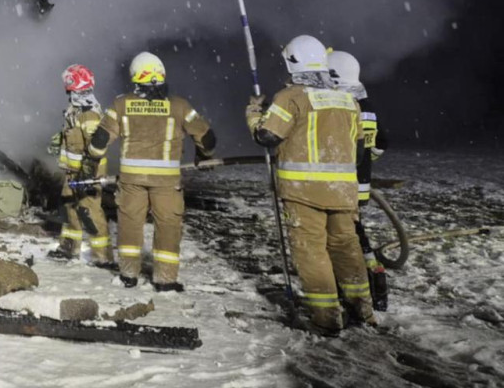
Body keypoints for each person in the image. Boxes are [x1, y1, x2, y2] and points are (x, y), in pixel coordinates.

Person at [246, 35, 375, 335]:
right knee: (347, 247)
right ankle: (362, 310)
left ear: (293, 63)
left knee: (311, 250)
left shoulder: (290, 98)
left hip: (303, 192)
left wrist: (254, 114)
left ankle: (327, 317)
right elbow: (358, 150)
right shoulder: (348, 100)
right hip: (343, 191)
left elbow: (267, 136)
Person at [86, 52, 215, 291]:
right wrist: (202, 156)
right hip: (166, 184)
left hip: (131, 181)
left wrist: (92, 157)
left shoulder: (121, 104)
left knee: (130, 225)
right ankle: (165, 280)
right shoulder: (179, 106)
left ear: (135, 77)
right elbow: (207, 140)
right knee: (168, 227)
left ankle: (128, 275)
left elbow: (100, 141)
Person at [329, 49, 390, 311]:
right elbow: (380, 143)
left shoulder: (346, 106)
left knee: (344, 241)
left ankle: (359, 291)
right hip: (359, 186)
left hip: (344, 187)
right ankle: (375, 281)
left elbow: (347, 148)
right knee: (355, 235)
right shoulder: (367, 106)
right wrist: (367, 165)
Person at [47, 64, 116, 268]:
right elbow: (74, 137)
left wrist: (88, 173)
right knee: (70, 209)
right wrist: (59, 140)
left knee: (90, 211)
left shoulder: (89, 114)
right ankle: (69, 248)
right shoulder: (75, 111)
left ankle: (102, 256)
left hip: (88, 172)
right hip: (72, 172)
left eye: (68, 84)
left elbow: (96, 146)